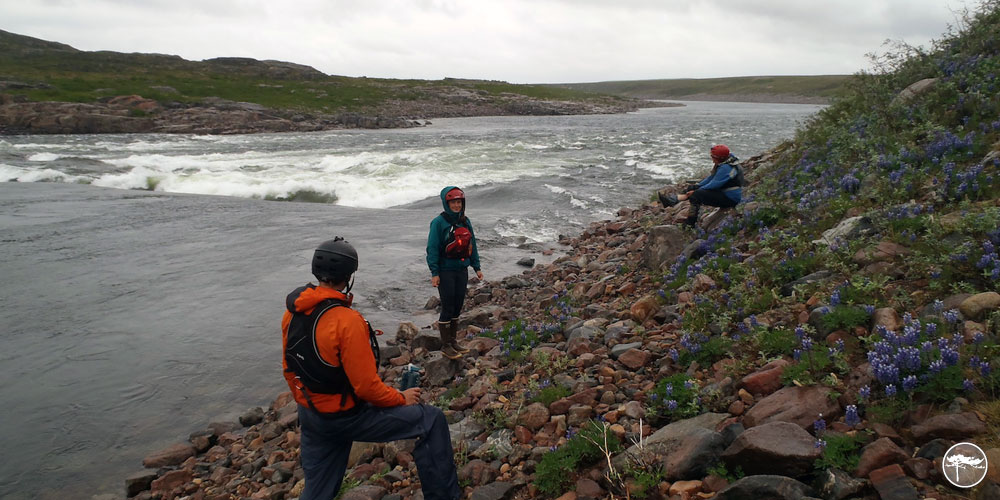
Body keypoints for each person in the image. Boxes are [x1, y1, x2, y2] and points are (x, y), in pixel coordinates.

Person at [282, 237, 460, 500]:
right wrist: (401, 397)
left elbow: (289, 367)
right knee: (431, 420)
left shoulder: (292, 312)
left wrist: (309, 402)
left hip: (311, 414)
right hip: (346, 416)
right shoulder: (347, 321)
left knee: (317, 490)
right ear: (348, 276)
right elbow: (366, 387)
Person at [426, 186, 483, 360]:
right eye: (453, 202)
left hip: (461, 269)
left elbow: (472, 245)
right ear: (446, 203)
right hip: (445, 271)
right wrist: (434, 272)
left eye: (459, 202)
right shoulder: (438, 223)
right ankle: (446, 345)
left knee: (458, 306)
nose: (457, 205)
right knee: (448, 306)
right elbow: (432, 248)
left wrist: (477, 267)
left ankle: (453, 341)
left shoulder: (465, 221)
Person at [658, 144, 744, 227]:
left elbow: (714, 184)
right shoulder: (725, 163)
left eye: (713, 157)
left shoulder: (726, 168)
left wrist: (696, 191)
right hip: (724, 193)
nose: (712, 159)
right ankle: (674, 200)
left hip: (730, 199)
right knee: (693, 188)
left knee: (696, 195)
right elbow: (711, 178)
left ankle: (691, 221)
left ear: (719, 158)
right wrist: (697, 186)